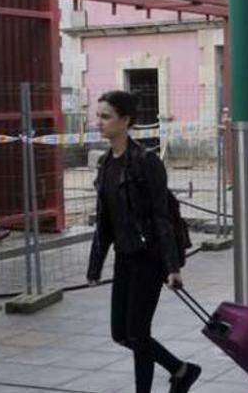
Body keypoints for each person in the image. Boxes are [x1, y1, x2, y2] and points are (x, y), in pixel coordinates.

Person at [86, 90, 201, 393]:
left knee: (137, 333)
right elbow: (104, 222)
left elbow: (161, 218)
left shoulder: (146, 162)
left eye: (106, 116)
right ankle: (181, 370)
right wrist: (95, 266)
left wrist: (172, 267)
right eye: (97, 116)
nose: (99, 122)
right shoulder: (106, 163)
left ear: (125, 121)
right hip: (124, 257)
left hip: (149, 258)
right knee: (120, 333)